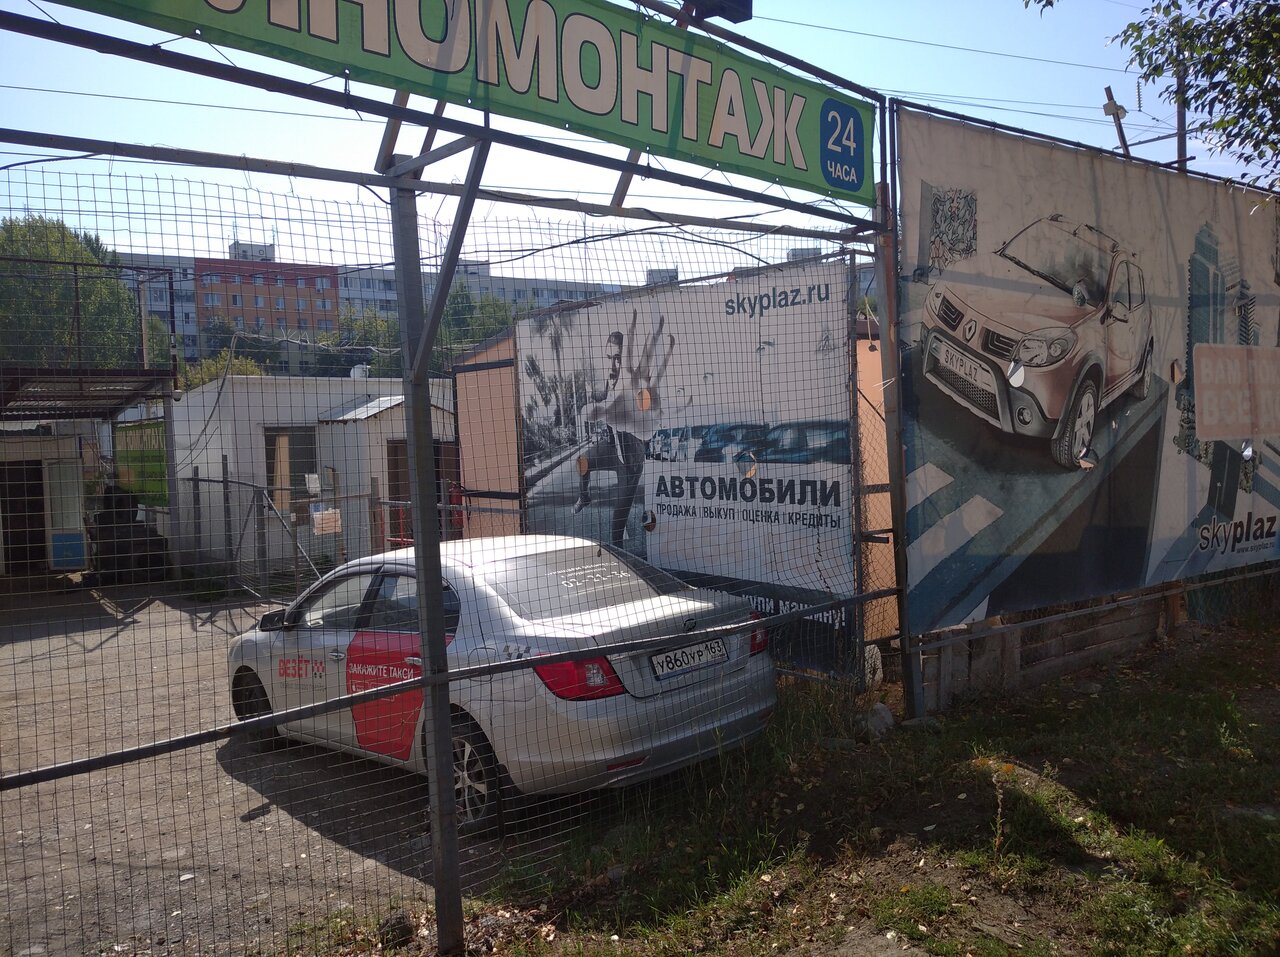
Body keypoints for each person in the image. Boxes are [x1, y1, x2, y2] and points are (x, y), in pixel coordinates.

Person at [574, 311, 676, 546]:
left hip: (630, 459)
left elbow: (647, 363)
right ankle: (585, 496)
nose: (612, 365)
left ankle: (619, 553)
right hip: (612, 446)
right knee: (582, 462)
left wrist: (657, 337)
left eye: (617, 358)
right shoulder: (607, 383)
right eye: (608, 357)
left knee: (617, 526)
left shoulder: (633, 381)